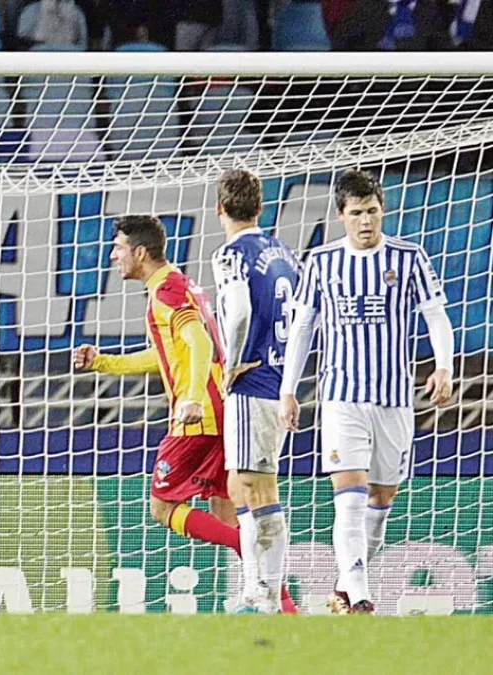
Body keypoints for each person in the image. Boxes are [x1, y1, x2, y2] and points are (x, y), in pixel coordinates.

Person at [74, 214, 297, 613]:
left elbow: (198, 343)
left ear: (140, 253)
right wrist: (104, 363)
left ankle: (256, 578)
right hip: (224, 409)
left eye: (119, 248)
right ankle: (281, 607)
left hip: (199, 416)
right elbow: (168, 356)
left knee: (162, 507)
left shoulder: (168, 294)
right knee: (228, 514)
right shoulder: (181, 285)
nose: (113, 256)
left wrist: (191, 398)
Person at [279, 169, 454, 615]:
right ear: (341, 216)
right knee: (350, 493)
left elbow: (435, 314)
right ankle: (360, 594)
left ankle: (345, 581)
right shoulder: (321, 262)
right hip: (341, 395)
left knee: (381, 497)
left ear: (383, 210)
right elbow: (302, 328)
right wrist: (288, 390)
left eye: (372, 211)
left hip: (395, 397)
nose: (365, 221)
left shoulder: (409, 257)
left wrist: (444, 367)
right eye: (356, 213)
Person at [210, 169, 299, 614]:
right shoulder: (284, 252)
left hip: (252, 381)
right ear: (261, 207)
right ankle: (254, 587)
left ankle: (264, 594)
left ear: (219, 208)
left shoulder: (230, 253)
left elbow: (240, 308)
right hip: (279, 380)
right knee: (239, 486)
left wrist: (232, 362)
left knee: (258, 489)